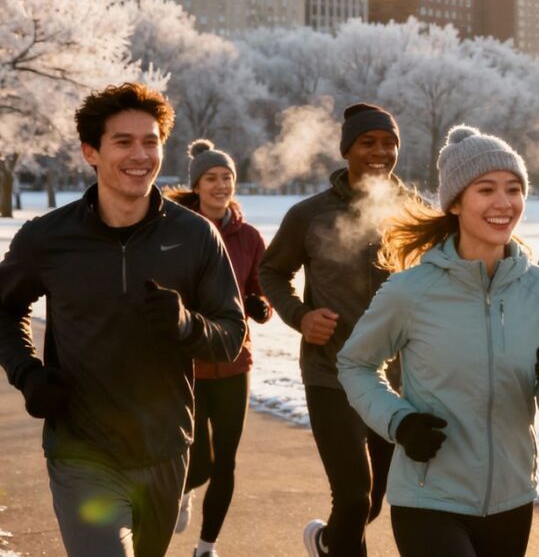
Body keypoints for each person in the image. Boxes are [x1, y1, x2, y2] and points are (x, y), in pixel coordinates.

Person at [0, 83, 246, 557]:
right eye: (123, 141)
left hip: (165, 449)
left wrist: (186, 326)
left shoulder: (195, 236)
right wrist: (27, 372)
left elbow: (231, 336)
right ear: (90, 152)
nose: (141, 155)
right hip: (82, 449)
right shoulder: (48, 239)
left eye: (150, 141)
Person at [337, 125, 539, 557]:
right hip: (428, 496)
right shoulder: (411, 291)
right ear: (455, 202)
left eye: (514, 189)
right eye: (486, 189)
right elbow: (355, 365)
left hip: (512, 498)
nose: (503, 203)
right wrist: (400, 421)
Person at [259, 103, 417, 557]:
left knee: (371, 502)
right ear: (346, 149)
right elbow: (271, 272)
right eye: (368, 142)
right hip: (332, 373)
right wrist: (300, 315)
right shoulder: (309, 215)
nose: (380, 152)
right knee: (352, 495)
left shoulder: (414, 211)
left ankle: (328, 542)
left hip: (398, 379)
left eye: (390, 143)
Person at [165, 139, 273, 557]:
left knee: (225, 459)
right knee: (200, 459)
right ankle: (186, 489)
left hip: (233, 362)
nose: (220, 184)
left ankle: (206, 547)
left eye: (227, 177)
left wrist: (260, 307)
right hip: (187, 363)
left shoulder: (248, 237)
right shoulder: (177, 231)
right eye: (211, 178)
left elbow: (261, 293)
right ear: (196, 184)